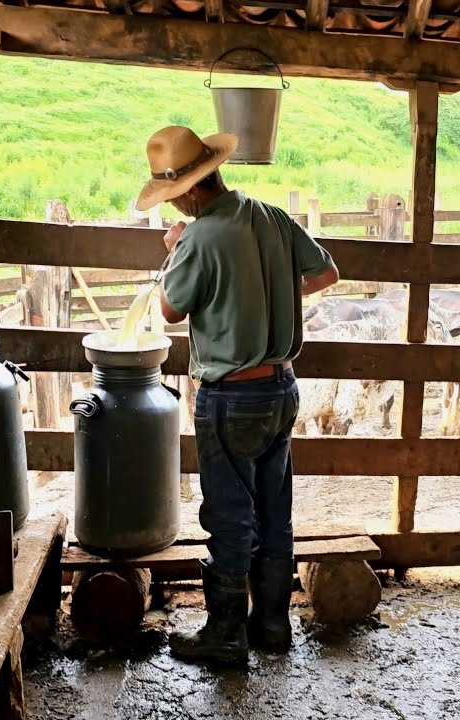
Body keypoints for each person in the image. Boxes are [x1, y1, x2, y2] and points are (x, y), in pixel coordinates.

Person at [135, 125, 339, 664]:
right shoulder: (271, 215)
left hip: (230, 396)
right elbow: (325, 273)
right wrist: (262, 292)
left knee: (229, 516)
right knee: (275, 511)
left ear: (188, 190)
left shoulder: (198, 236)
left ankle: (225, 633)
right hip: (281, 387)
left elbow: (172, 310)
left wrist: (177, 249)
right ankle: (272, 624)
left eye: (170, 195)